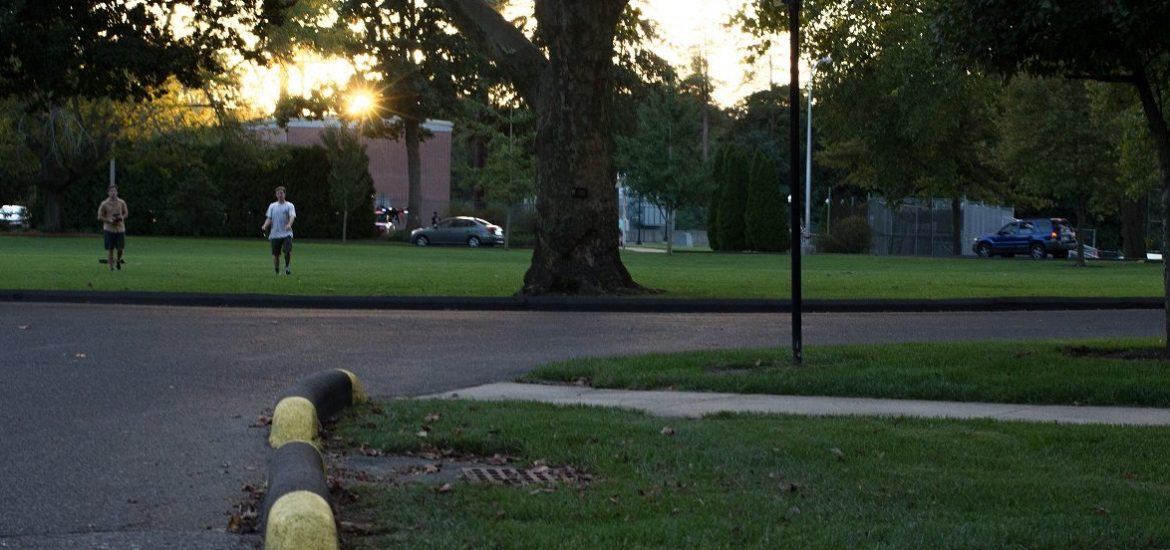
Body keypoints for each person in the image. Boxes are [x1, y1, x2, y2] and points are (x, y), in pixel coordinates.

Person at [261, 186, 296, 275]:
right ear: (276, 195)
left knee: (287, 250)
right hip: (275, 234)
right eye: (278, 193)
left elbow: (292, 217)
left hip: (286, 233)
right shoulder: (272, 206)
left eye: (281, 193)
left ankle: (287, 267)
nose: (280, 195)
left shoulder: (289, 205)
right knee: (276, 255)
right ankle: (277, 270)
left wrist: (289, 224)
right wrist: (265, 225)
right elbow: (269, 218)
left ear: (285, 194)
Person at [97, 184, 128, 271]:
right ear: (108, 193)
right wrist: (109, 220)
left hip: (120, 229)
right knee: (110, 249)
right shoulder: (104, 204)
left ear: (117, 192)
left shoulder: (122, 202)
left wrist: (122, 217)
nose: (113, 193)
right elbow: (99, 217)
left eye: (115, 191)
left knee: (120, 249)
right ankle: (111, 267)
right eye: (111, 191)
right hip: (109, 229)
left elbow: (126, 213)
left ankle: (118, 260)